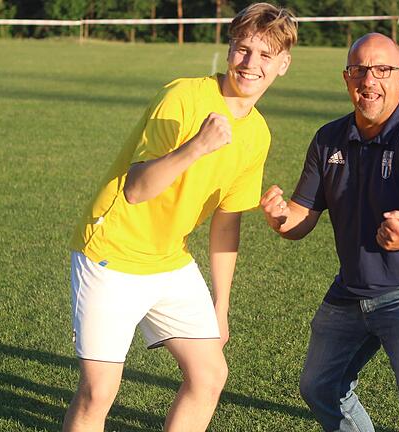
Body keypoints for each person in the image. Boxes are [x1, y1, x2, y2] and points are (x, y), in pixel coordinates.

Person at [62, 4, 296, 431]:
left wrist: (221, 305)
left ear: (283, 64)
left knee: (209, 376)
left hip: (169, 260)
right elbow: (135, 190)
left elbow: (227, 220)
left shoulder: (258, 133)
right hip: (111, 254)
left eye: (265, 55)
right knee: (99, 391)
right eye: (243, 50)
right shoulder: (183, 97)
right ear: (229, 50)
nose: (250, 64)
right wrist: (196, 147)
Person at [259, 33, 399, 431]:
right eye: (359, 70)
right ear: (346, 77)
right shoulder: (328, 139)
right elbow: (302, 217)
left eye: (382, 70)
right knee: (320, 385)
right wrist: (281, 219)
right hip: (353, 287)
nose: (369, 80)